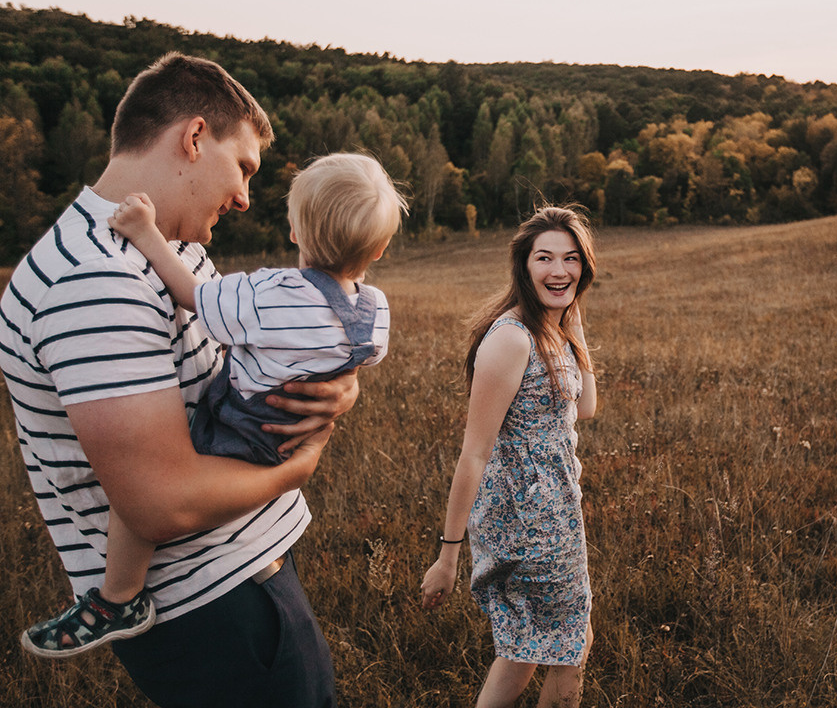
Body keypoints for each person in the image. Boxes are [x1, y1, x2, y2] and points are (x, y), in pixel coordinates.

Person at [0, 52, 359, 708]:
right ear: (194, 138)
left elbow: (240, 365)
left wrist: (330, 389)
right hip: (213, 612)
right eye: (243, 167)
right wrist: (300, 463)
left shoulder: (169, 250)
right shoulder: (95, 279)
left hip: (242, 579)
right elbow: (158, 503)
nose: (247, 196)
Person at [20, 151, 406, 659]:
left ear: (295, 231)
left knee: (139, 499)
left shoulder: (270, 293)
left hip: (237, 426)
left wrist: (145, 232)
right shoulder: (374, 311)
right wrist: (342, 395)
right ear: (378, 250)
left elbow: (192, 296)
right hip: (284, 440)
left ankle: (119, 599)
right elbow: (353, 365)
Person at [421, 206, 599, 708]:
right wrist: (448, 555)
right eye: (544, 258)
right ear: (523, 266)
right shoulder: (511, 338)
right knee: (572, 645)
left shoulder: (551, 329)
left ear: (584, 266)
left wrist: (574, 325)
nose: (558, 271)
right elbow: (473, 454)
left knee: (524, 651)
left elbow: (584, 407)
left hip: (552, 516)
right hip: (530, 527)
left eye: (570, 259)